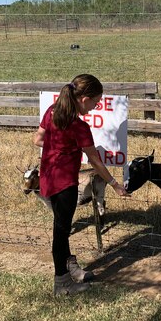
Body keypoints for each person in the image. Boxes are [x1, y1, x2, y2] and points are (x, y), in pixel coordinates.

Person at [33, 74, 130, 296]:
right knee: (61, 232)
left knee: (61, 228)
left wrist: (58, 149)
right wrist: (115, 184)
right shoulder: (79, 127)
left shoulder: (52, 112)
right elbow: (95, 160)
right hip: (65, 183)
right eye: (95, 102)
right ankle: (62, 283)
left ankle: (70, 267)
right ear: (84, 99)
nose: (96, 107)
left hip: (48, 178)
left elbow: (37, 139)